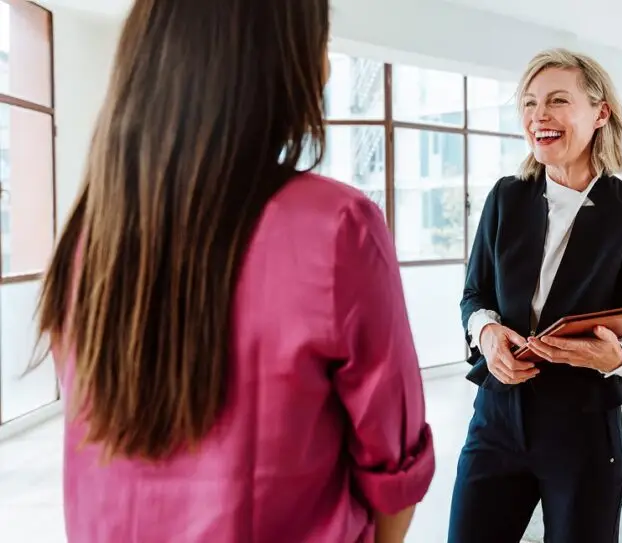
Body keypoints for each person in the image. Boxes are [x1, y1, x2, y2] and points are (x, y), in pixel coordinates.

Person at [32, 1, 434, 541]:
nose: (328, 66)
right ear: (270, 61)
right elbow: (394, 474)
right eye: (318, 40)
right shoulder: (338, 228)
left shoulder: (87, 234)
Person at [447, 48, 622, 543]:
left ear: (600, 112)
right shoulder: (506, 196)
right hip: (497, 417)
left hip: (584, 427)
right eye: (528, 103)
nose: (538, 116)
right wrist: (485, 333)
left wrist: (617, 355)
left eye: (557, 101)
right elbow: (475, 293)